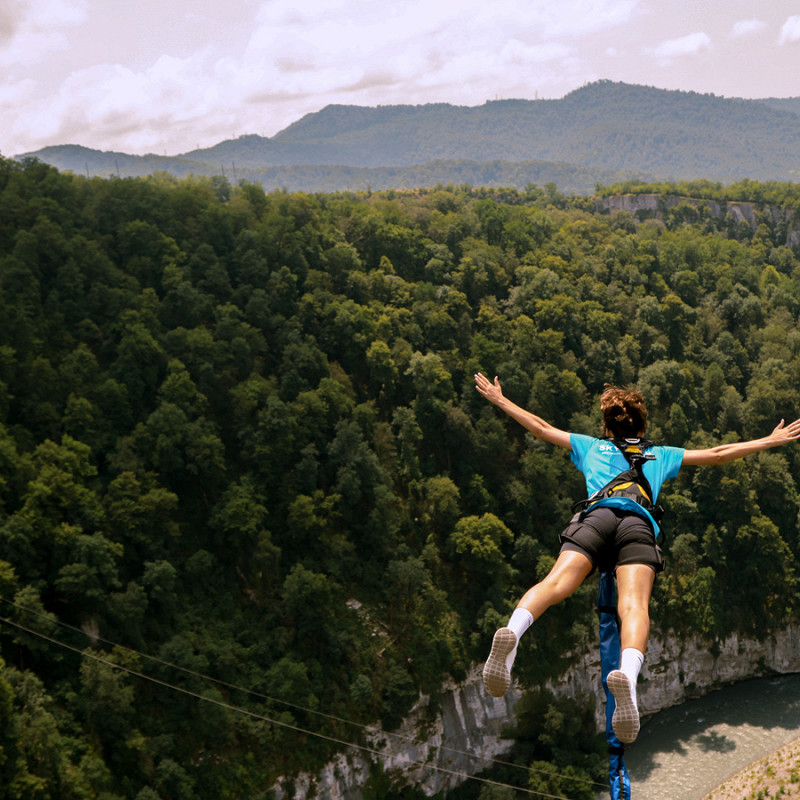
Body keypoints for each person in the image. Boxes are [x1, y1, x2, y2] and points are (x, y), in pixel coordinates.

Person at [474, 372, 800, 743]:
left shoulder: (591, 447)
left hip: (594, 518)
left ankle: (513, 633)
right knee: (633, 605)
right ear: (642, 425)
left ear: (607, 426)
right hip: (637, 525)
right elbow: (718, 454)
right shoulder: (659, 455)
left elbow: (540, 427)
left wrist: (501, 400)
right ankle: (626, 677)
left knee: (555, 584)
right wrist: (771, 440)